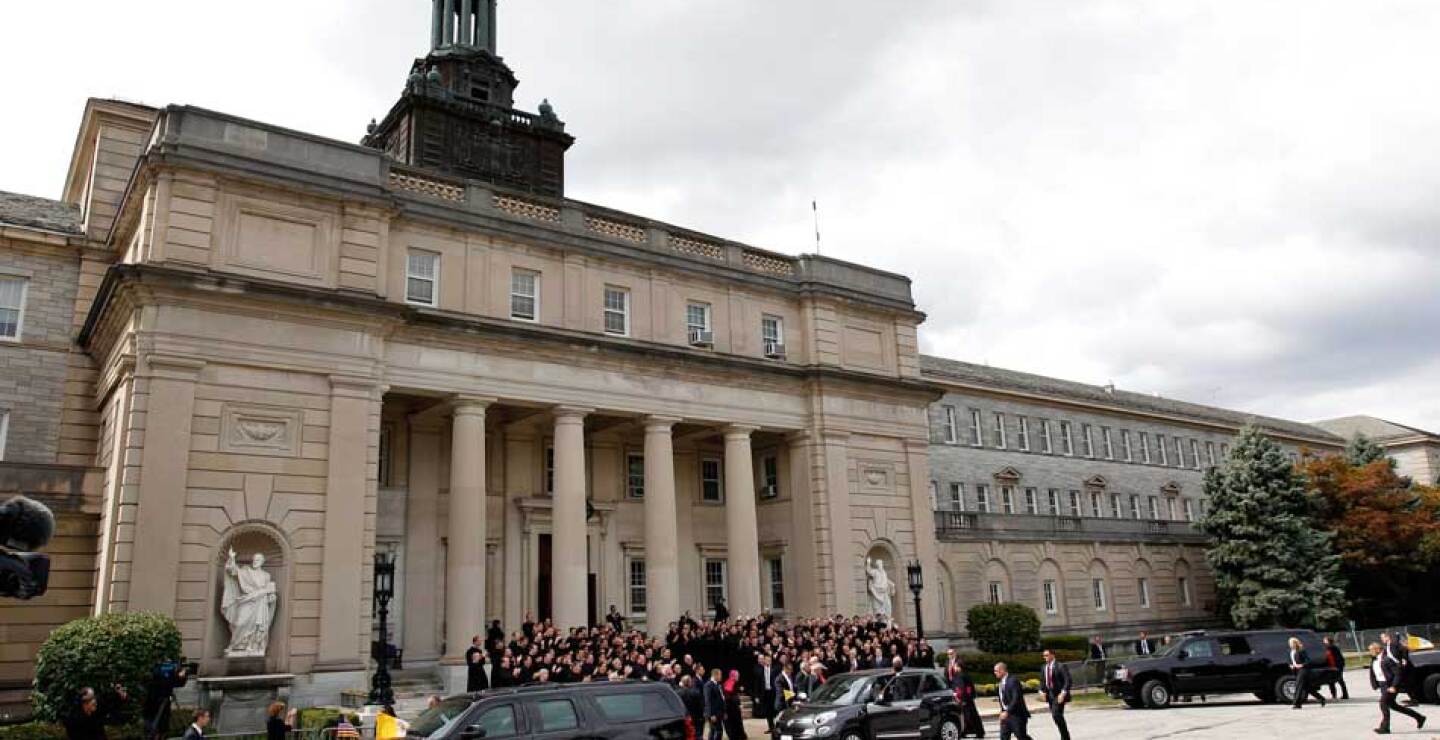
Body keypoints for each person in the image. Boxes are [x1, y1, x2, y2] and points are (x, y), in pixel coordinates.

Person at [1369, 641, 1426, 734]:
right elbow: (1373, 673)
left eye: (1371, 650)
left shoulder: (1387, 659)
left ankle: (1385, 727)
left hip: (1390, 686)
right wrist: (1375, 684)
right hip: (1383, 685)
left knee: (1383, 703)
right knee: (1394, 706)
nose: (1370, 652)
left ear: (1377, 650)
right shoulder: (1374, 660)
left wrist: (1394, 686)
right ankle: (1419, 717)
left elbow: (1398, 674)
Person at [944, 653, 983, 738]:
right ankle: (968, 732)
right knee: (967, 716)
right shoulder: (962, 674)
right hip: (967, 698)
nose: (954, 667)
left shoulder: (961, 675)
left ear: (959, 667)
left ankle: (977, 732)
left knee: (970, 716)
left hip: (965, 699)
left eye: (956, 666)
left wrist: (960, 698)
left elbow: (962, 688)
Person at [994, 663, 1031, 740]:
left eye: (996, 671)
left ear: (1002, 670)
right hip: (1006, 715)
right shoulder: (1001, 683)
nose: (995, 673)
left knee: (1021, 736)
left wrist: (1007, 711)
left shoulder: (1013, 681)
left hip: (1017, 715)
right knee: (1004, 736)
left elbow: (1016, 698)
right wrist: (1003, 711)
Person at [1287, 636, 1327, 709]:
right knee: (1307, 688)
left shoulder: (1301, 651)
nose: (1290, 644)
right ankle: (1321, 699)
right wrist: (1291, 665)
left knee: (1298, 687)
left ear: (1295, 643)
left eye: (1292, 643)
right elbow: (1292, 661)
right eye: (1290, 643)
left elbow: (1308, 661)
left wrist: (1302, 665)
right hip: (1296, 671)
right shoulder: (1291, 652)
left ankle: (1297, 704)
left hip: (1303, 670)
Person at [1041, 649, 1072, 740]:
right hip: (1050, 695)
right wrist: (1041, 691)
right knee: (1057, 716)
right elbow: (1043, 681)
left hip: (1059, 695)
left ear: (1052, 655)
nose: (1045, 657)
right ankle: (1064, 735)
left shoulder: (1060, 666)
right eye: (1044, 656)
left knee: (1056, 714)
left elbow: (1068, 680)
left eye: (1046, 655)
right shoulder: (1044, 667)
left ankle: (1065, 737)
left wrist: (1063, 693)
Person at [752, 654, 776, 731]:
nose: (768, 661)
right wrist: (756, 696)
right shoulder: (760, 671)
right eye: (766, 660)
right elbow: (756, 684)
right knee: (768, 711)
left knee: (775, 710)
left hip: (774, 692)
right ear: (764, 661)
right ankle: (771, 727)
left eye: (770, 660)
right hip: (765, 693)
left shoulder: (775, 670)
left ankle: (777, 727)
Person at [722, 670, 747, 740]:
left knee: (733, 723)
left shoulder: (728, 682)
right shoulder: (732, 683)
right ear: (733, 676)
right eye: (737, 675)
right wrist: (738, 704)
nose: (738, 677)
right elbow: (731, 697)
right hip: (732, 707)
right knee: (735, 722)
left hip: (730, 706)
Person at [1322, 636, 1348, 700]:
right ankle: (1344, 694)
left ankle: (1334, 695)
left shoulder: (1329, 647)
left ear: (1328, 641)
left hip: (1335, 666)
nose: (1323, 642)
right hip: (1338, 665)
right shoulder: (1334, 647)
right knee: (1340, 681)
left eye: (1324, 640)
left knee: (1332, 681)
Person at [703, 669, 726, 740]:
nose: (721, 676)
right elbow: (708, 700)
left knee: (714, 731)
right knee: (718, 731)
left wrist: (724, 712)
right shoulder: (708, 685)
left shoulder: (718, 684)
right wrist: (711, 714)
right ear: (715, 675)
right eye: (720, 675)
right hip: (713, 713)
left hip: (719, 712)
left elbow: (721, 699)